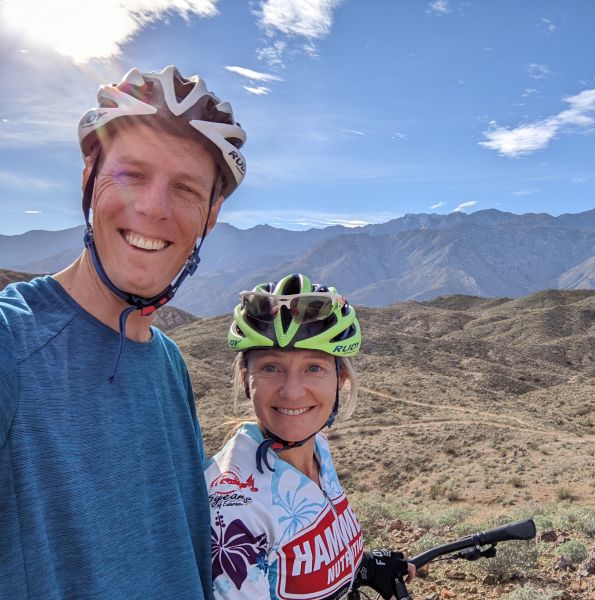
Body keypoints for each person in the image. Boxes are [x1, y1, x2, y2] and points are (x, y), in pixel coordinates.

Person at [0, 66, 246, 599]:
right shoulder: (12, 343)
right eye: (131, 174)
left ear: (211, 215)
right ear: (89, 175)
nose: (153, 208)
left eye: (184, 188)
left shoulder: (168, 363)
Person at [206, 273, 414, 599]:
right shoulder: (234, 508)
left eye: (313, 368)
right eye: (271, 367)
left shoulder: (317, 447)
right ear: (247, 378)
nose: (291, 392)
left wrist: (363, 566)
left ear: (340, 379)